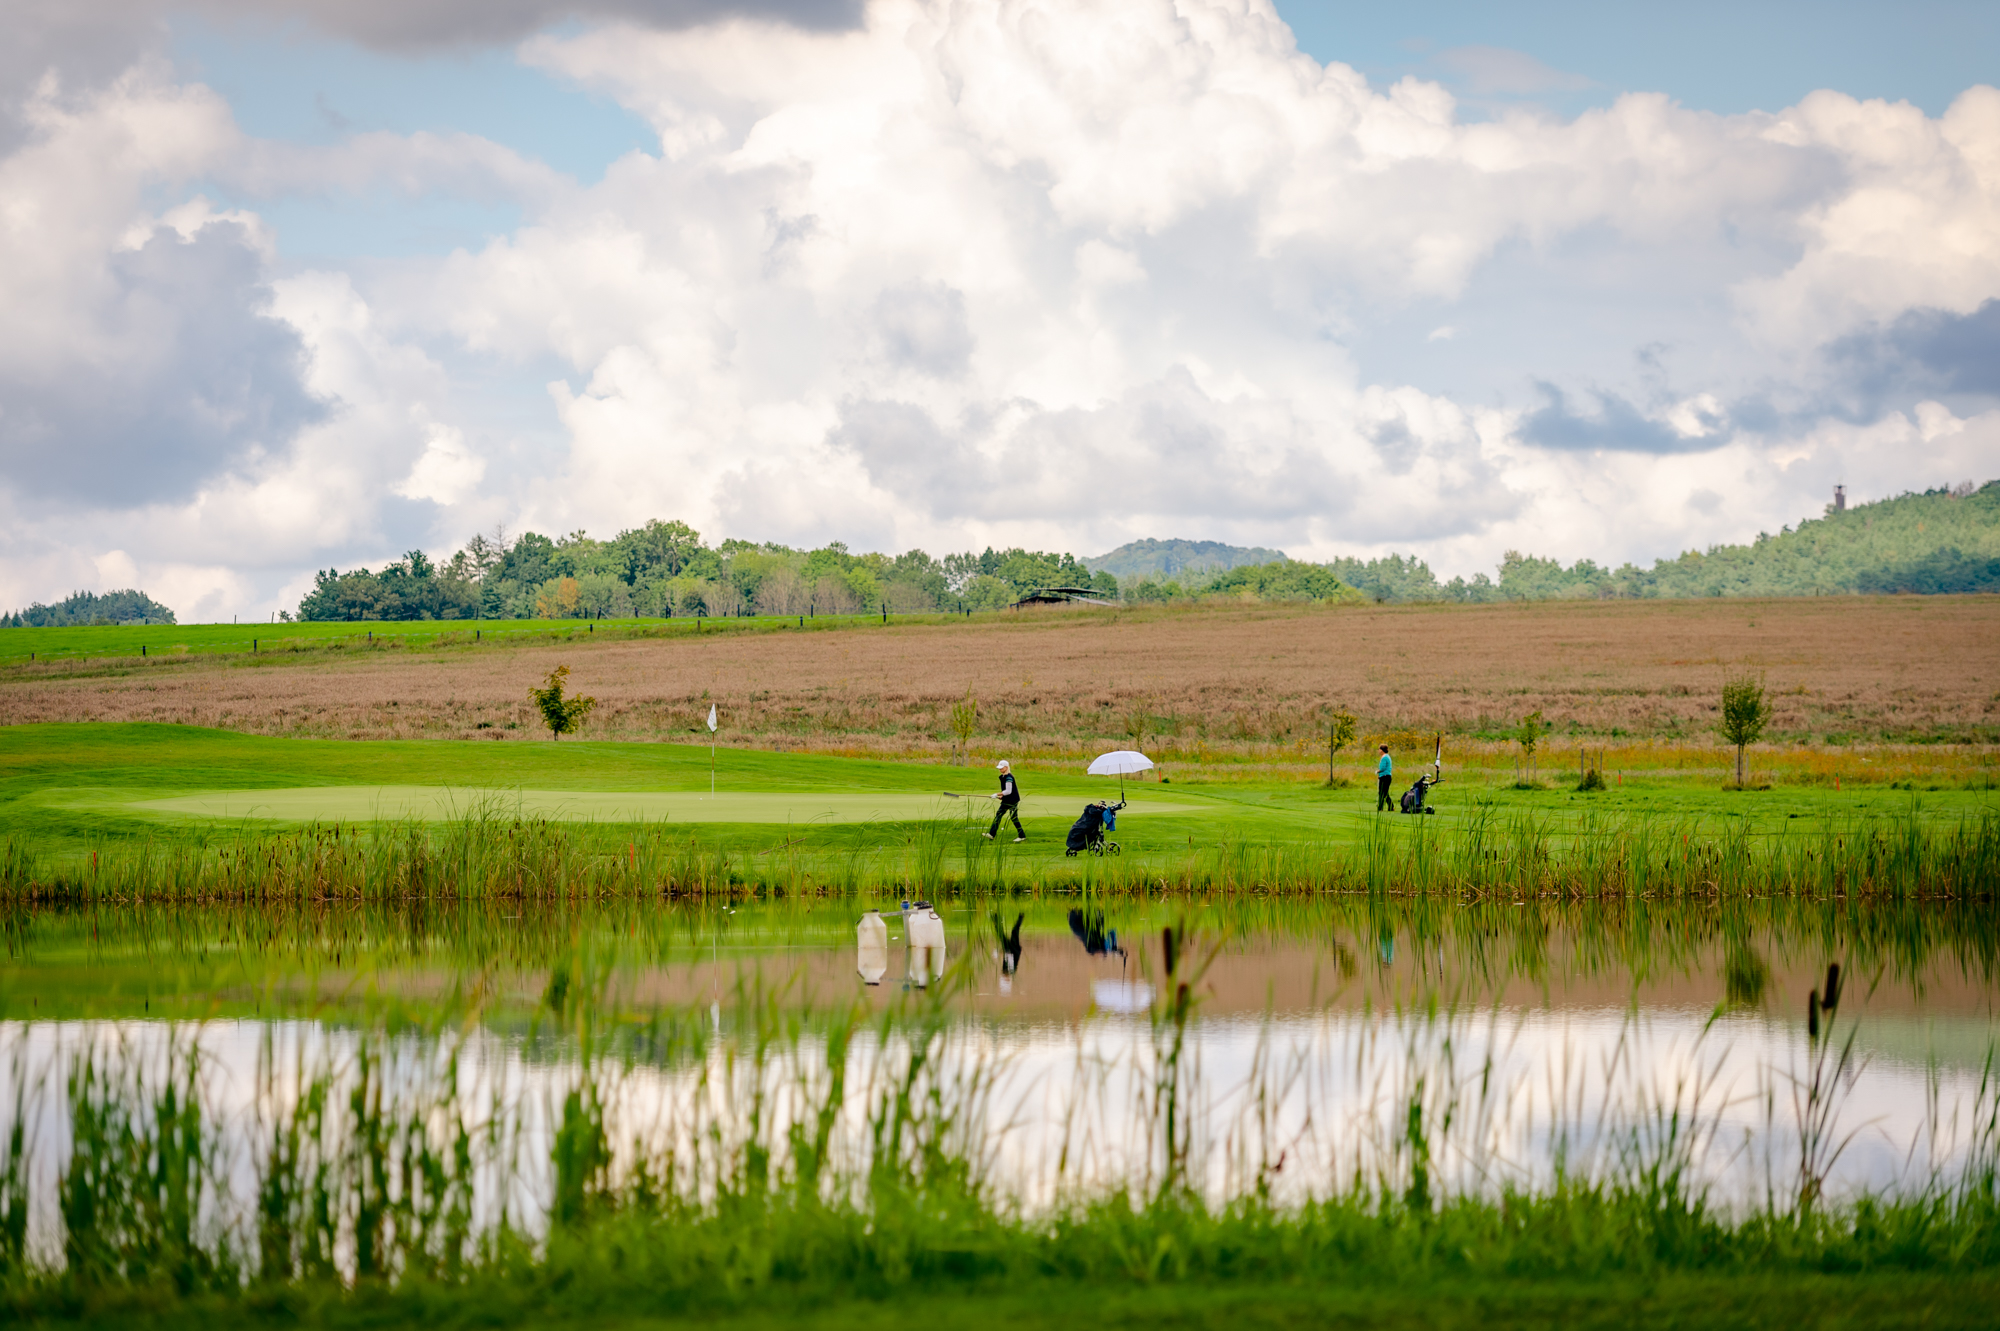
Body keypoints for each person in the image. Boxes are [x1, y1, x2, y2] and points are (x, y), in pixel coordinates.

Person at [986, 759, 1025, 841]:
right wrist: (1002, 797)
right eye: (999, 768)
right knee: (1000, 815)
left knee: (1012, 817)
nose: (1000, 769)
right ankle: (992, 834)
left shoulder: (1009, 778)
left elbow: (1008, 791)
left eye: (1001, 768)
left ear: (1006, 767)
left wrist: (997, 794)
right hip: (1007, 799)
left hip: (1012, 800)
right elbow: (1006, 792)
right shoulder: (1003, 777)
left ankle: (1021, 836)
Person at [1376, 744, 1393, 812]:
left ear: (1382, 750)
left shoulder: (1384, 757)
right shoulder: (1387, 756)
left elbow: (1382, 768)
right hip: (1385, 776)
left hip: (1385, 777)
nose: (1379, 751)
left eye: (1379, 749)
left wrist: (1377, 771)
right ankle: (1389, 806)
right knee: (1384, 792)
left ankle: (1381, 807)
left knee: (1383, 793)